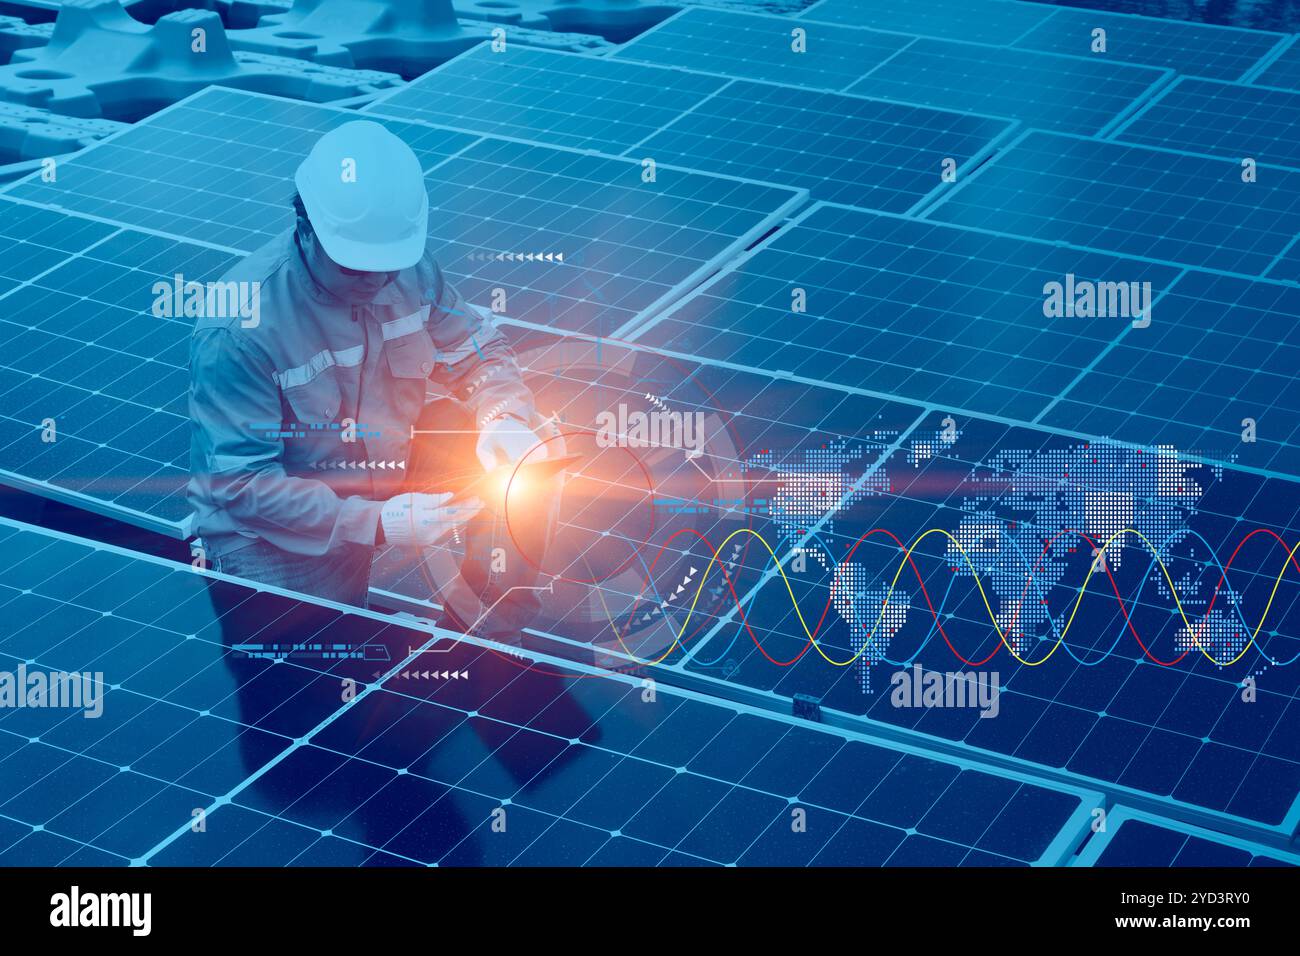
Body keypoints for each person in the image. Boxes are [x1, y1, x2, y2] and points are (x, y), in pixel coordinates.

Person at [188, 120, 548, 626]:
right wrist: (378, 524)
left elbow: (478, 345)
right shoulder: (239, 329)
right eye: (357, 266)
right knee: (308, 681)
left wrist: (504, 414)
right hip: (274, 544)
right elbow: (244, 484)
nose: (378, 280)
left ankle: (495, 633)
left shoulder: (407, 267)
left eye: (389, 264)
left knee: (527, 453)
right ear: (305, 227)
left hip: (380, 478)